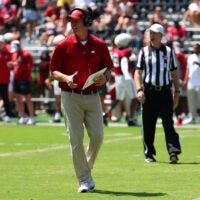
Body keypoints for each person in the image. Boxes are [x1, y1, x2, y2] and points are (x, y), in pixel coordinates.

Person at [49, 7, 113, 192]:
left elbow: (108, 67)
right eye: (71, 21)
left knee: (98, 137)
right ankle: (84, 179)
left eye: (76, 21)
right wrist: (66, 78)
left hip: (93, 96)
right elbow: (53, 72)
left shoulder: (99, 44)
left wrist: (106, 77)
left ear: (87, 22)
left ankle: (85, 167)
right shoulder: (62, 45)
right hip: (70, 97)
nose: (73, 24)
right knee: (76, 140)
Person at [134, 23, 182, 164]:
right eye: (151, 32)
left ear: (161, 35)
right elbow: (138, 72)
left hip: (165, 91)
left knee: (168, 123)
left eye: (155, 33)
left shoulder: (168, 52)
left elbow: (174, 73)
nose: (152, 35)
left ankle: (173, 152)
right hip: (149, 91)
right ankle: (149, 153)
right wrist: (139, 89)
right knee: (148, 124)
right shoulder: (143, 52)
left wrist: (177, 92)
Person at [7, 40, 35, 125]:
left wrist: (19, 65)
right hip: (16, 78)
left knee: (28, 98)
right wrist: (10, 65)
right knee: (18, 99)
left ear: (19, 46)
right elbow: (14, 67)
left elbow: (30, 67)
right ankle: (22, 117)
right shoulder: (14, 54)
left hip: (25, 79)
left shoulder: (27, 54)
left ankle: (31, 118)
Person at [183, 43, 200, 124]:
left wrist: (198, 64)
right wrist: (186, 81)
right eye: (194, 48)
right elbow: (188, 69)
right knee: (191, 101)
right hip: (191, 82)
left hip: (199, 83)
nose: (195, 49)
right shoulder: (190, 57)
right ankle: (192, 118)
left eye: (197, 48)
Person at [0, 35, 12, 123]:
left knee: (5, 98)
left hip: (5, 79)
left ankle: (8, 115)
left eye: (2, 42)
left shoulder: (9, 51)